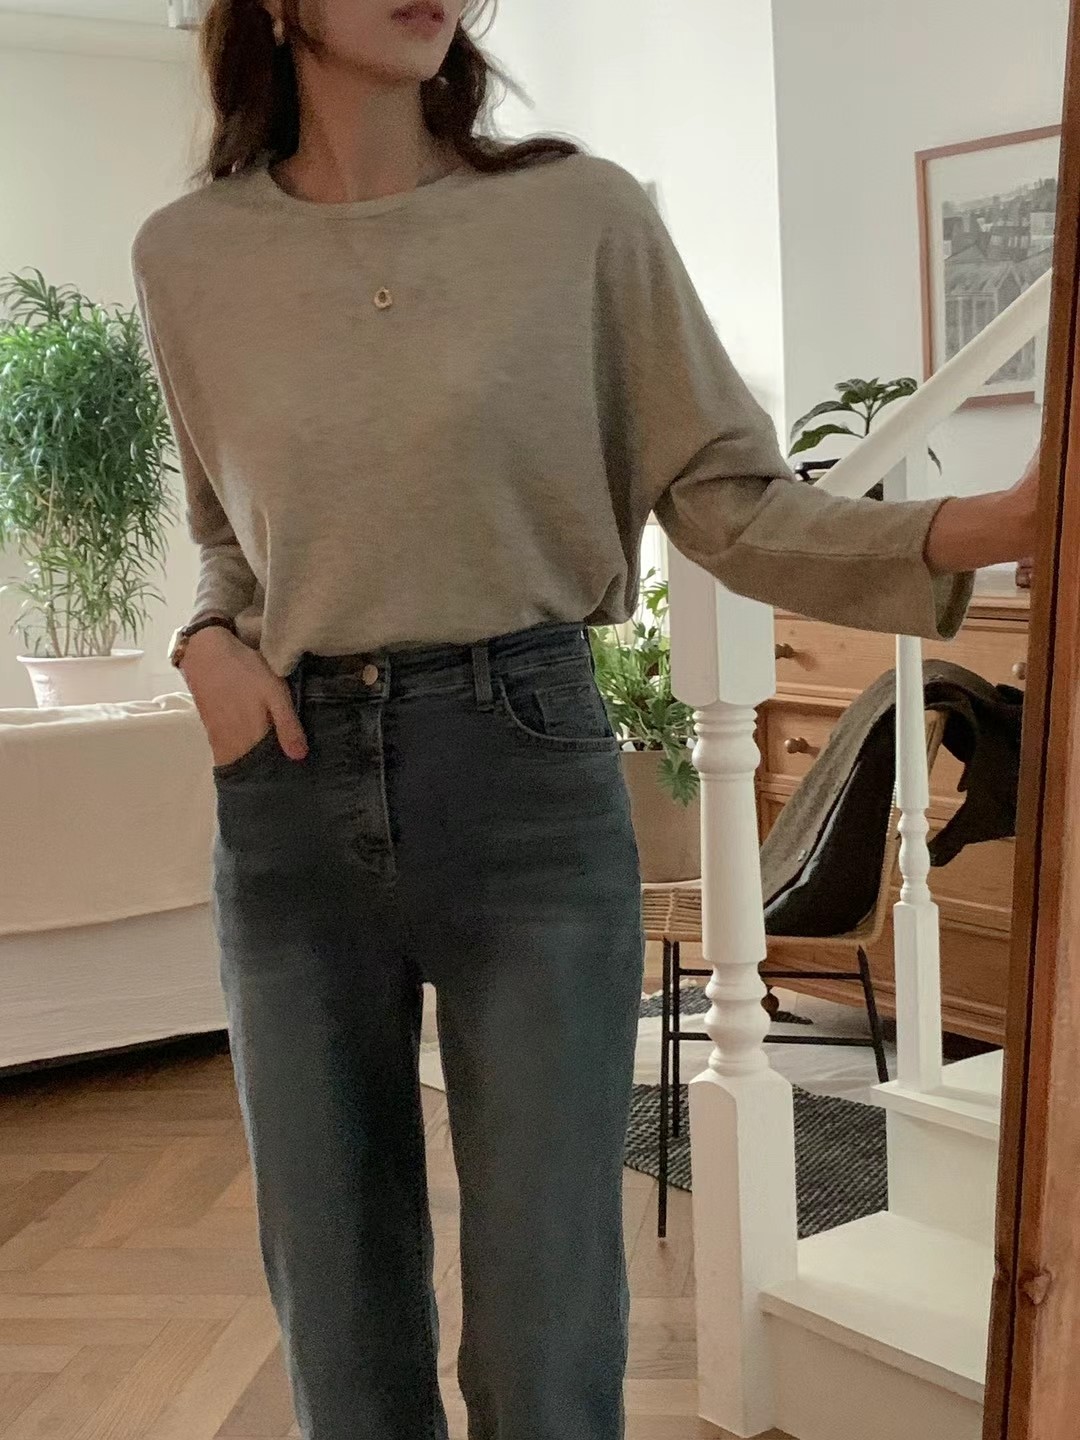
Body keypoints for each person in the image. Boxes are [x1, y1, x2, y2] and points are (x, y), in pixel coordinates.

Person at [130, 3, 1041, 1437]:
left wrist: (1000, 519)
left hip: (523, 775)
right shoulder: (187, 258)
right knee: (338, 1322)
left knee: (545, 1331)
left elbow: (731, 506)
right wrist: (200, 639)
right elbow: (232, 539)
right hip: (289, 800)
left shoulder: (581, 219)